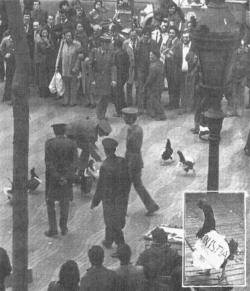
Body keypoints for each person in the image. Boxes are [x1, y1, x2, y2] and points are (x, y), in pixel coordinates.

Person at [91, 138, 131, 250]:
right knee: (117, 218)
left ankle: (121, 244)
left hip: (109, 198)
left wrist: (95, 201)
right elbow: (128, 179)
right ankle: (108, 240)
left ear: (105, 150)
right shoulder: (123, 161)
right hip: (122, 197)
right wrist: (125, 193)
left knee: (111, 221)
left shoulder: (105, 166)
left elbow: (100, 186)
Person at [122, 107, 160, 216]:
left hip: (132, 161)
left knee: (127, 185)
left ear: (130, 118)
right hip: (135, 160)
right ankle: (151, 205)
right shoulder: (136, 129)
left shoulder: (133, 130)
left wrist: (128, 164)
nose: (123, 118)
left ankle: (122, 209)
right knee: (137, 185)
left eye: (125, 116)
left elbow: (133, 147)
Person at [45, 123, 78, 237]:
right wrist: (66, 177)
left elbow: (48, 163)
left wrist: (57, 177)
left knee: (50, 202)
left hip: (53, 179)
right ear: (64, 131)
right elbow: (75, 163)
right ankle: (63, 228)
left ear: (54, 132)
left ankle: (53, 229)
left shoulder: (49, 143)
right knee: (65, 203)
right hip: (67, 179)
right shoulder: (72, 144)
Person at [66, 118, 112, 195]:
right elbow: (91, 148)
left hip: (74, 131)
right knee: (75, 156)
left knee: (86, 151)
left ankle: (80, 170)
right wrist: (100, 160)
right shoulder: (91, 132)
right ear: (100, 129)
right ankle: (74, 175)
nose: (103, 136)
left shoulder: (95, 125)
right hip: (71, 134)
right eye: (104, 133)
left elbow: (91, 146)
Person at [89, 35, 117, 120]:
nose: (108, 45)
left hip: (107, 79)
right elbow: (91, 66)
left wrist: (113, 79)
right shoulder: (95, 52)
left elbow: (113, 66)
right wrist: (92, 79)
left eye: (108, 43)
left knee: (105, 99)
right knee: (99, 99)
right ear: (102, 43)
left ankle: (102, 115)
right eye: (106, 43)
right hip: (97, 79)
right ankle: (99, 117)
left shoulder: (111, 53)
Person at [56, 28, 81, 106]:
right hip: (64, 68)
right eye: (67, 36)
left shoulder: (77, 44)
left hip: (73, 67)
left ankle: (73, 101)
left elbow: (79, 57)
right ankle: (65, 100)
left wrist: (76, 67)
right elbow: (59, 55)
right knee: (66, 85)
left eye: (70, 36)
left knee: (73, 85)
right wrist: (57, 65)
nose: (68, 37)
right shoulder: (63, 43)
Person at [136, 29, 159, 115]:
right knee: (141, 89)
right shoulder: (139, 43)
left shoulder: (153, 43)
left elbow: (158, 54)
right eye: (144, 34)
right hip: (141, 69)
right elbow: (136, 55)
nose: (146, 36)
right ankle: (140, 109)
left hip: (150, 69)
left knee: (150, 89)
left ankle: (150, 109)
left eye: (147, 34)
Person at [143, 49, 166, 120]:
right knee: (157, 99)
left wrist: (145, 86)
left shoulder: (153, 66)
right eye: (150, 55)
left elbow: (150, 78)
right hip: (160, 85)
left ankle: (161, 114)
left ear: (156, 56)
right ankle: (155, 113)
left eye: (151, 55)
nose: (150, 57)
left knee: (154, 100)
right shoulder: (160, 63)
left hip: (154, 86)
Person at [163, 26, 182, 109]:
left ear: (176, 34)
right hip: (168, 67)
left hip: (175, 68)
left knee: (175, 85)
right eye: (170, 33)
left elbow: (177, 56)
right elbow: (164, 51)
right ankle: (171, 102)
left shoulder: (178, 43)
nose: (171, 34)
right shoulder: (168, 41)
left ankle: (175, 103)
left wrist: (168, 53)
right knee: (170, 85)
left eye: (173, 33)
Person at [36, 27, 55, 98]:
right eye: (43, 32)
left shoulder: (50, 40)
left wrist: (49, 44)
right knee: (42, 77)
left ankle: (49, 92)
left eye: (46, 32)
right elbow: (40, 51)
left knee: (49, 76)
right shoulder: (39, 41)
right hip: (42, 61)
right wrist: (47, 44)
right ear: (41, 33)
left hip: (49, 60)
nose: (45, 34)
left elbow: (53, 49)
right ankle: (43, 93)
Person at [113, 38, 130, 117]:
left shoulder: (117, 54)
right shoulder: (125, 52)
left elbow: (117, 67)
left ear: (116, 45)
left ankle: (119, 111)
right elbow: (128, 64)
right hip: (124, 75)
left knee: (117, 94)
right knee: (121, 93)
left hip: (118, 76)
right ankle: (124, 108)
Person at [123, 30, 139, 107]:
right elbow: (123, 54)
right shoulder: (126, 43)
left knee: (138, 84)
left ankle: (138, 102)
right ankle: (129, 102)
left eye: (134, 35)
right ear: (129, 36)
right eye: (132, 35)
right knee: (129, 84)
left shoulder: (139, 42)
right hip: (129, 67)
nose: (133, 37)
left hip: (138, 66)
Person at [0, 31, 15, 104]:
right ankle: (7, 96)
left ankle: (14, 98)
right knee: (9, 78)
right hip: (9, 62)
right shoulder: (5, 40)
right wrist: (5, 55)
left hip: (16, 61)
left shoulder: (18, 39)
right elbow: (1, 49)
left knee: (14, 79)